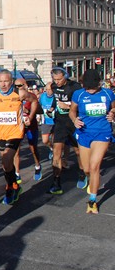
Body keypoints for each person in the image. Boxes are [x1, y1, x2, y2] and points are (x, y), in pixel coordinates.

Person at [0, 72, 38, 205]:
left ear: (11, 81)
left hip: (15, 132)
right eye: (0, 81)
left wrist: (30, 117)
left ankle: (9, 188)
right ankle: (14, 185)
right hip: (1, 133)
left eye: (6, 81)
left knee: (7, 159)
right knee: (5, 164)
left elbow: (35, 100)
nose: (3, 84)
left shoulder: (20, 93)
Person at [70, 69, 115, 214]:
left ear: (99, 83)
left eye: (92, 88)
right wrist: (74, 120)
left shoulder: (108, 93)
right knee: (87, 169)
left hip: (102, 132)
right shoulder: (79, 94)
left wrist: (112, 113)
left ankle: (92, 201)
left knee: (95, 166)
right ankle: (92, 179)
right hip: (84, 133)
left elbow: (114, 107)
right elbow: (72, 111)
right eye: (87, 88)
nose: (89, 91)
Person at [49, 67, 83, 195]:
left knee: (78, 151)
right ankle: (56, 182)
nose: (57, 82)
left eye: (59, 79)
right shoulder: (54, 86)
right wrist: (52, 108)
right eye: (55, 79)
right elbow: (55, 100)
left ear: (65, 76)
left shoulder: (75, 87)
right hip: (60, 123)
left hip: (74, 122)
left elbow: (82, 104)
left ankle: (82, 173)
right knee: (57, 151)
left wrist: (68, 106)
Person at [38, 83, 55, 163]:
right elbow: (39, 106)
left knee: (55, 140)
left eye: (50, 89)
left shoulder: (56, 96)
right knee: (45, 140)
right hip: (46, 121)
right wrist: (38, 115)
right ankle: (51, 148)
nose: (48, 91)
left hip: (56, 121)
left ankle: (56, 155)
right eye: (47, 89)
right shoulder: (42, 96)